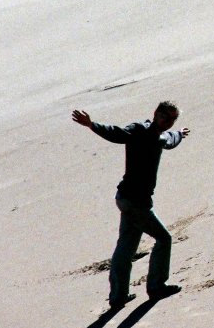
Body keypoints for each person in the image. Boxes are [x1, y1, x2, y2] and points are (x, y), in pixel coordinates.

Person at [71, 101, 190, 309]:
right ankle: (156, 287)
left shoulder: (160, 136)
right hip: (135, 202)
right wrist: (92, 125)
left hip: (128, 199)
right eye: (165, 116)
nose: (168, 121)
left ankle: (118, 297)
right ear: (155, 113)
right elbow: (117, 134)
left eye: (172, 119)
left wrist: (179, 133)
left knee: (126, 246)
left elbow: (170, 140)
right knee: (164, 238)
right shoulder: (138, 130)